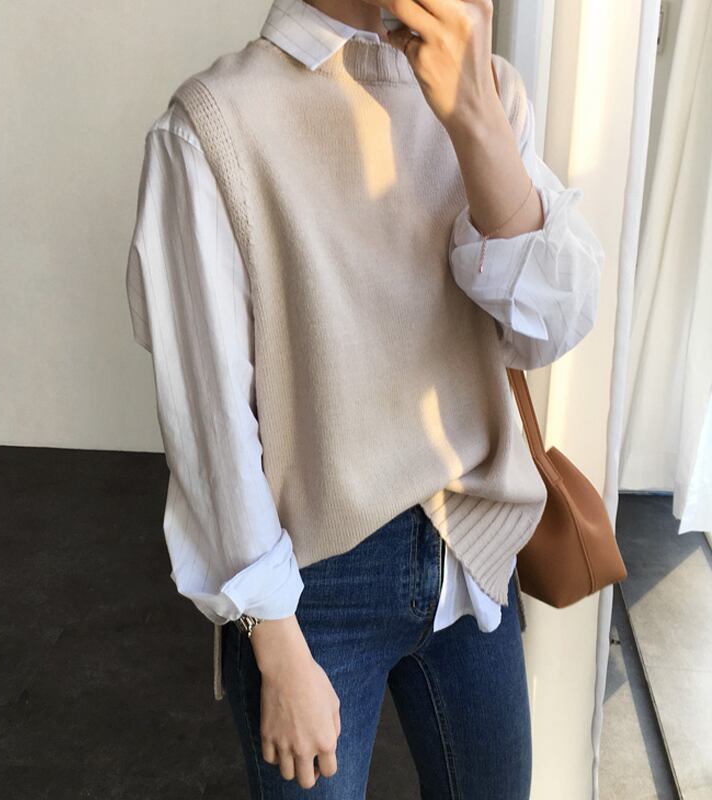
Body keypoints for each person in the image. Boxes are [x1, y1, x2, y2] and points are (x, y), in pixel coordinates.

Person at [125, 1, 605, 797]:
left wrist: (475, 120)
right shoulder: (214, 125)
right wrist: (275, 643)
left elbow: (547, 330)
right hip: (313, 586)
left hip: (473, 552)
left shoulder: (487, 92)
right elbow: (211, 426)